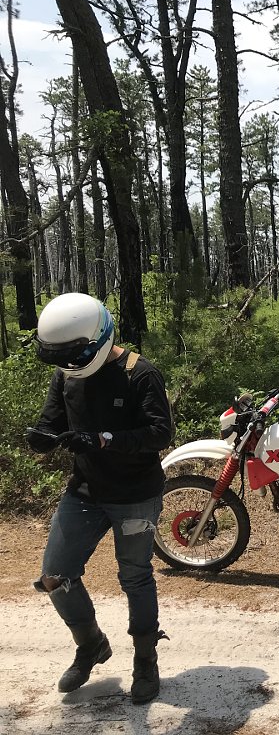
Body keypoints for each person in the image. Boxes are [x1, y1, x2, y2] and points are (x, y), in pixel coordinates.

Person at [26, 293, 174, 704]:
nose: (70, 363)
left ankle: (145, 660)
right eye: (61, 356)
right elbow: (51, 421)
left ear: (99, 337)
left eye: (75, 354)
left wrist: (103, 439)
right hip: (85, 492)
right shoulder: (68, 372)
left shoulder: (139, 374)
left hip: (135, 496)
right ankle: (91, 644)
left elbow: (160, 433)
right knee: (55, 575)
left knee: (135, 576)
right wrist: (41, 438)